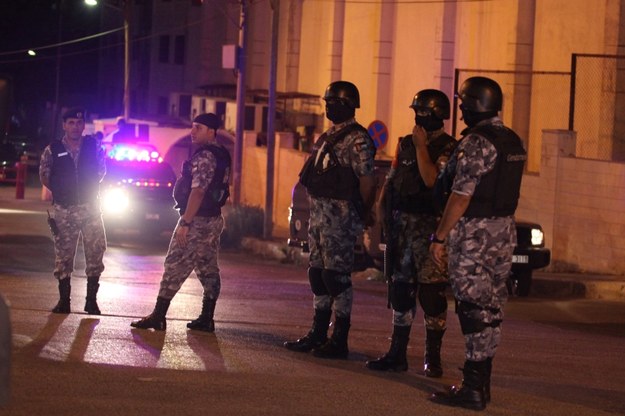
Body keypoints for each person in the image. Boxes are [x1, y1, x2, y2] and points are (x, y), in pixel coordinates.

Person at [429, 76, 527, 411]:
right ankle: (480, 385)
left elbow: (460, 196)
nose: (459, 108)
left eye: (462, 103)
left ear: (474, 104)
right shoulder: (512, 140)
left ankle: (472, 388)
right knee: (491, 307)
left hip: (475, 234)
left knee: (472, 308)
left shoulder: (476, 143)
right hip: (503, 231)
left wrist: (439, 237)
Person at [366, 90, 456, 376]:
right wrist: (380, 209)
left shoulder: (448, 147)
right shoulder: (405, 144)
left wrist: (421, 148)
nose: (417, 117)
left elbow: (432, 180)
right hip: (402, 229)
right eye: (415, 111)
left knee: (431, 296)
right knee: (401, 292)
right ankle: (397, 354)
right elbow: (392, 181)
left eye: (423, 112)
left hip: (430, 231)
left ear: (437, 115)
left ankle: (433, 358)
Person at [284, 81, 377, 359]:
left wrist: (363, 210)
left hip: (341, 219)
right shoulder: (327, 136)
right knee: (318, 275)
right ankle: (317, 332)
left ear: (348, 105)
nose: (328, 107)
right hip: (320, 217)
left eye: (333, 103)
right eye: (327, 102)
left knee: (336, 278)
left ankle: (339, 339)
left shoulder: (358, 139)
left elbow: (367, 181)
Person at [131, 113, 231, 332]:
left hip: (197, 220)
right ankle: (207, 317)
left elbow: (198, 192)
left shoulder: (206, 156)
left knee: (175, 264)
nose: (193, 131)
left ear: (212, 131)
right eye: (193, 127)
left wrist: (186, 223)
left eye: (199, 128)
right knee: (208, 268)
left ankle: (158, 316)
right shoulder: (221, 154)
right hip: (212, 219)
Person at [39, 107, 107, 315]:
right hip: (64, 209)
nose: (75, 127)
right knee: (64, 257)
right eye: (71, 123)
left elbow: (101, 171)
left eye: (79, 123)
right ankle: (64, 302)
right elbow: (44, 175)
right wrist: (61, 192)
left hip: (90, 208)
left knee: (96, 253)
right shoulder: (53, 149)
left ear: (83, 125)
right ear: (64, 125)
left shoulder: (93, 146)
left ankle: (91, 301)